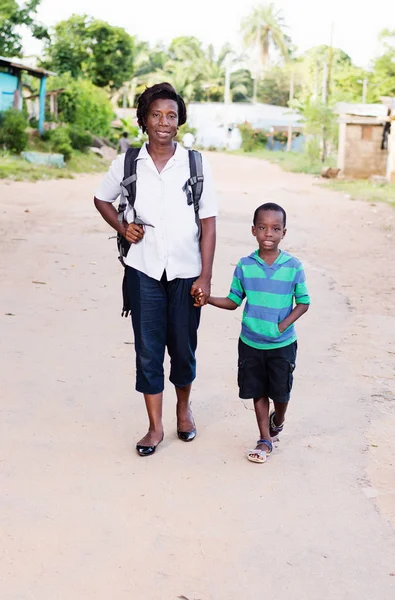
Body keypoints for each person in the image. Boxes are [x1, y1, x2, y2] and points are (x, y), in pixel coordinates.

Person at [94, 83, 217, 457]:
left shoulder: (195, 164)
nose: (164, 122)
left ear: (179, 122)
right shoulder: (128, 163)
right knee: (148, 351)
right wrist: (122, 226)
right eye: (156, 115)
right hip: (143, 270)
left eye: (172, 116)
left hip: (186, 272)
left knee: (183, 348)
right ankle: (154, 426)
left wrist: (205, 276)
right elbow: (102, 199)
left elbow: (208, 222)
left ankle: (183, 409)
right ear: (144, 120)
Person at [194, 203, 310, 464]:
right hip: (251, 342)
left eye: (275, 228)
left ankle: (277, 420)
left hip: (282, 344)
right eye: (262, 227)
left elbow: (303, 302)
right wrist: (208, 298)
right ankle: (264, 438)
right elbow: (234, 300)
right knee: (258, 390)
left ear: (284, 232)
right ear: (254, 231)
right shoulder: (245, 265)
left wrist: (282, 325)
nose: (268, 233)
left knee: (280, 394)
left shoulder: (293, 266)